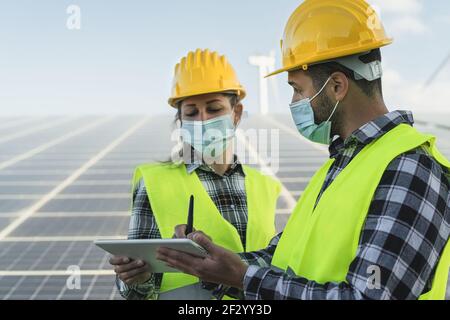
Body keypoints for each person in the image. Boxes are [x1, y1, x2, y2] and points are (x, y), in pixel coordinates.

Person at [156, 0, 450, 300]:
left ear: (336, 86)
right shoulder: (342, 166)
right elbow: (285, 257)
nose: (294, 101)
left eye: (298, 88)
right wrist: (213, 263)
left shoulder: (408, 166)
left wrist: (243, 278)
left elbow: (368, 296)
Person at [109, 49, 281, 300]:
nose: (203, 120)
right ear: (180, 120)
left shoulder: (264, 185)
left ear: (236, 113)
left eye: (214, 109)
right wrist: (136, 278)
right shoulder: (154, 182)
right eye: (191, 113)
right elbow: (136, 292)